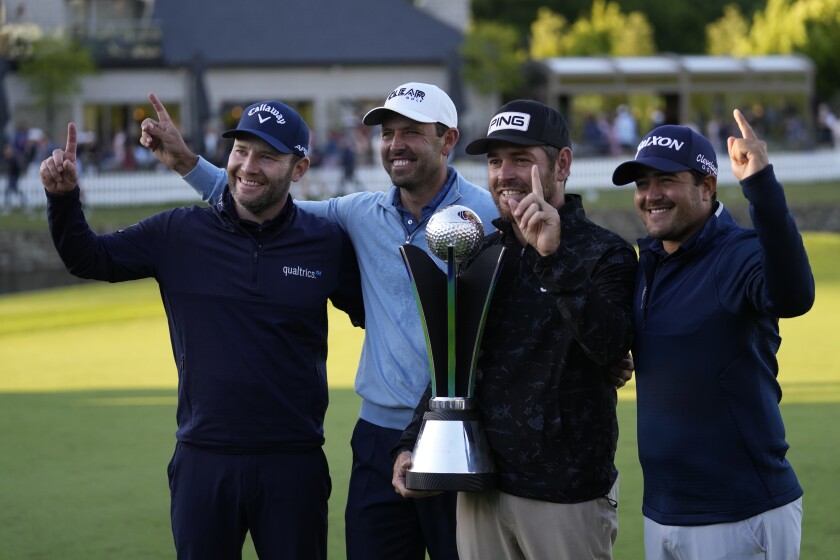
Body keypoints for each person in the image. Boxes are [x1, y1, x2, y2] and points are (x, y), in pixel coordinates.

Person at [139, 83, 499, 560]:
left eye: (411, 132)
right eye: (388, 133)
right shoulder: (358, 213)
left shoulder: (491, 213)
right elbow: (261, 200)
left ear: (448, 139)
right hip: (377, 435)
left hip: (462, 428)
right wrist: (187, 162)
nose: (395, 144)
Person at [40, 101, 364, 560]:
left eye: (267, 157)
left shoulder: (325, 243)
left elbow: (376, 315)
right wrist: (63, 198)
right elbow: (88, 258)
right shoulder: (179, 233)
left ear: (299, 168)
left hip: (293, 462)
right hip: (202, 459)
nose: (248, 167)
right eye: (241, 151)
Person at [393, 100, 638, 559]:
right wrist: (413, 442)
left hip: (565, 494)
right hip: (481, 485)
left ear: (562, 164)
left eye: (521, 160)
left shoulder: (606, 253)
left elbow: (611, 345)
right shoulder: (482, 252)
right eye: (494, 160)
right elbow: (454, 360)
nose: (504, 173)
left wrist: (552, 256)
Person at [611, 111, 814, 560]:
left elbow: (794, 295)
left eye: (666, 180)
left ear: (706, 187)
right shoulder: (647, 263)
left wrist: (760, 183)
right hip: (662, 512)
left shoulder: (737, 253)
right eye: (642, 184)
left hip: (741, 515)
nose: (650, 195)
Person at [2, 142, 26, 213]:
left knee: (8, 191)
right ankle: (25, 204)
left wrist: (16, 177)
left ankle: (8, 207)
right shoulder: (9, 159)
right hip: (11, 178)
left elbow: (16, 169)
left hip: (14, 178)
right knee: (16, 192)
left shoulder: (13, 159)